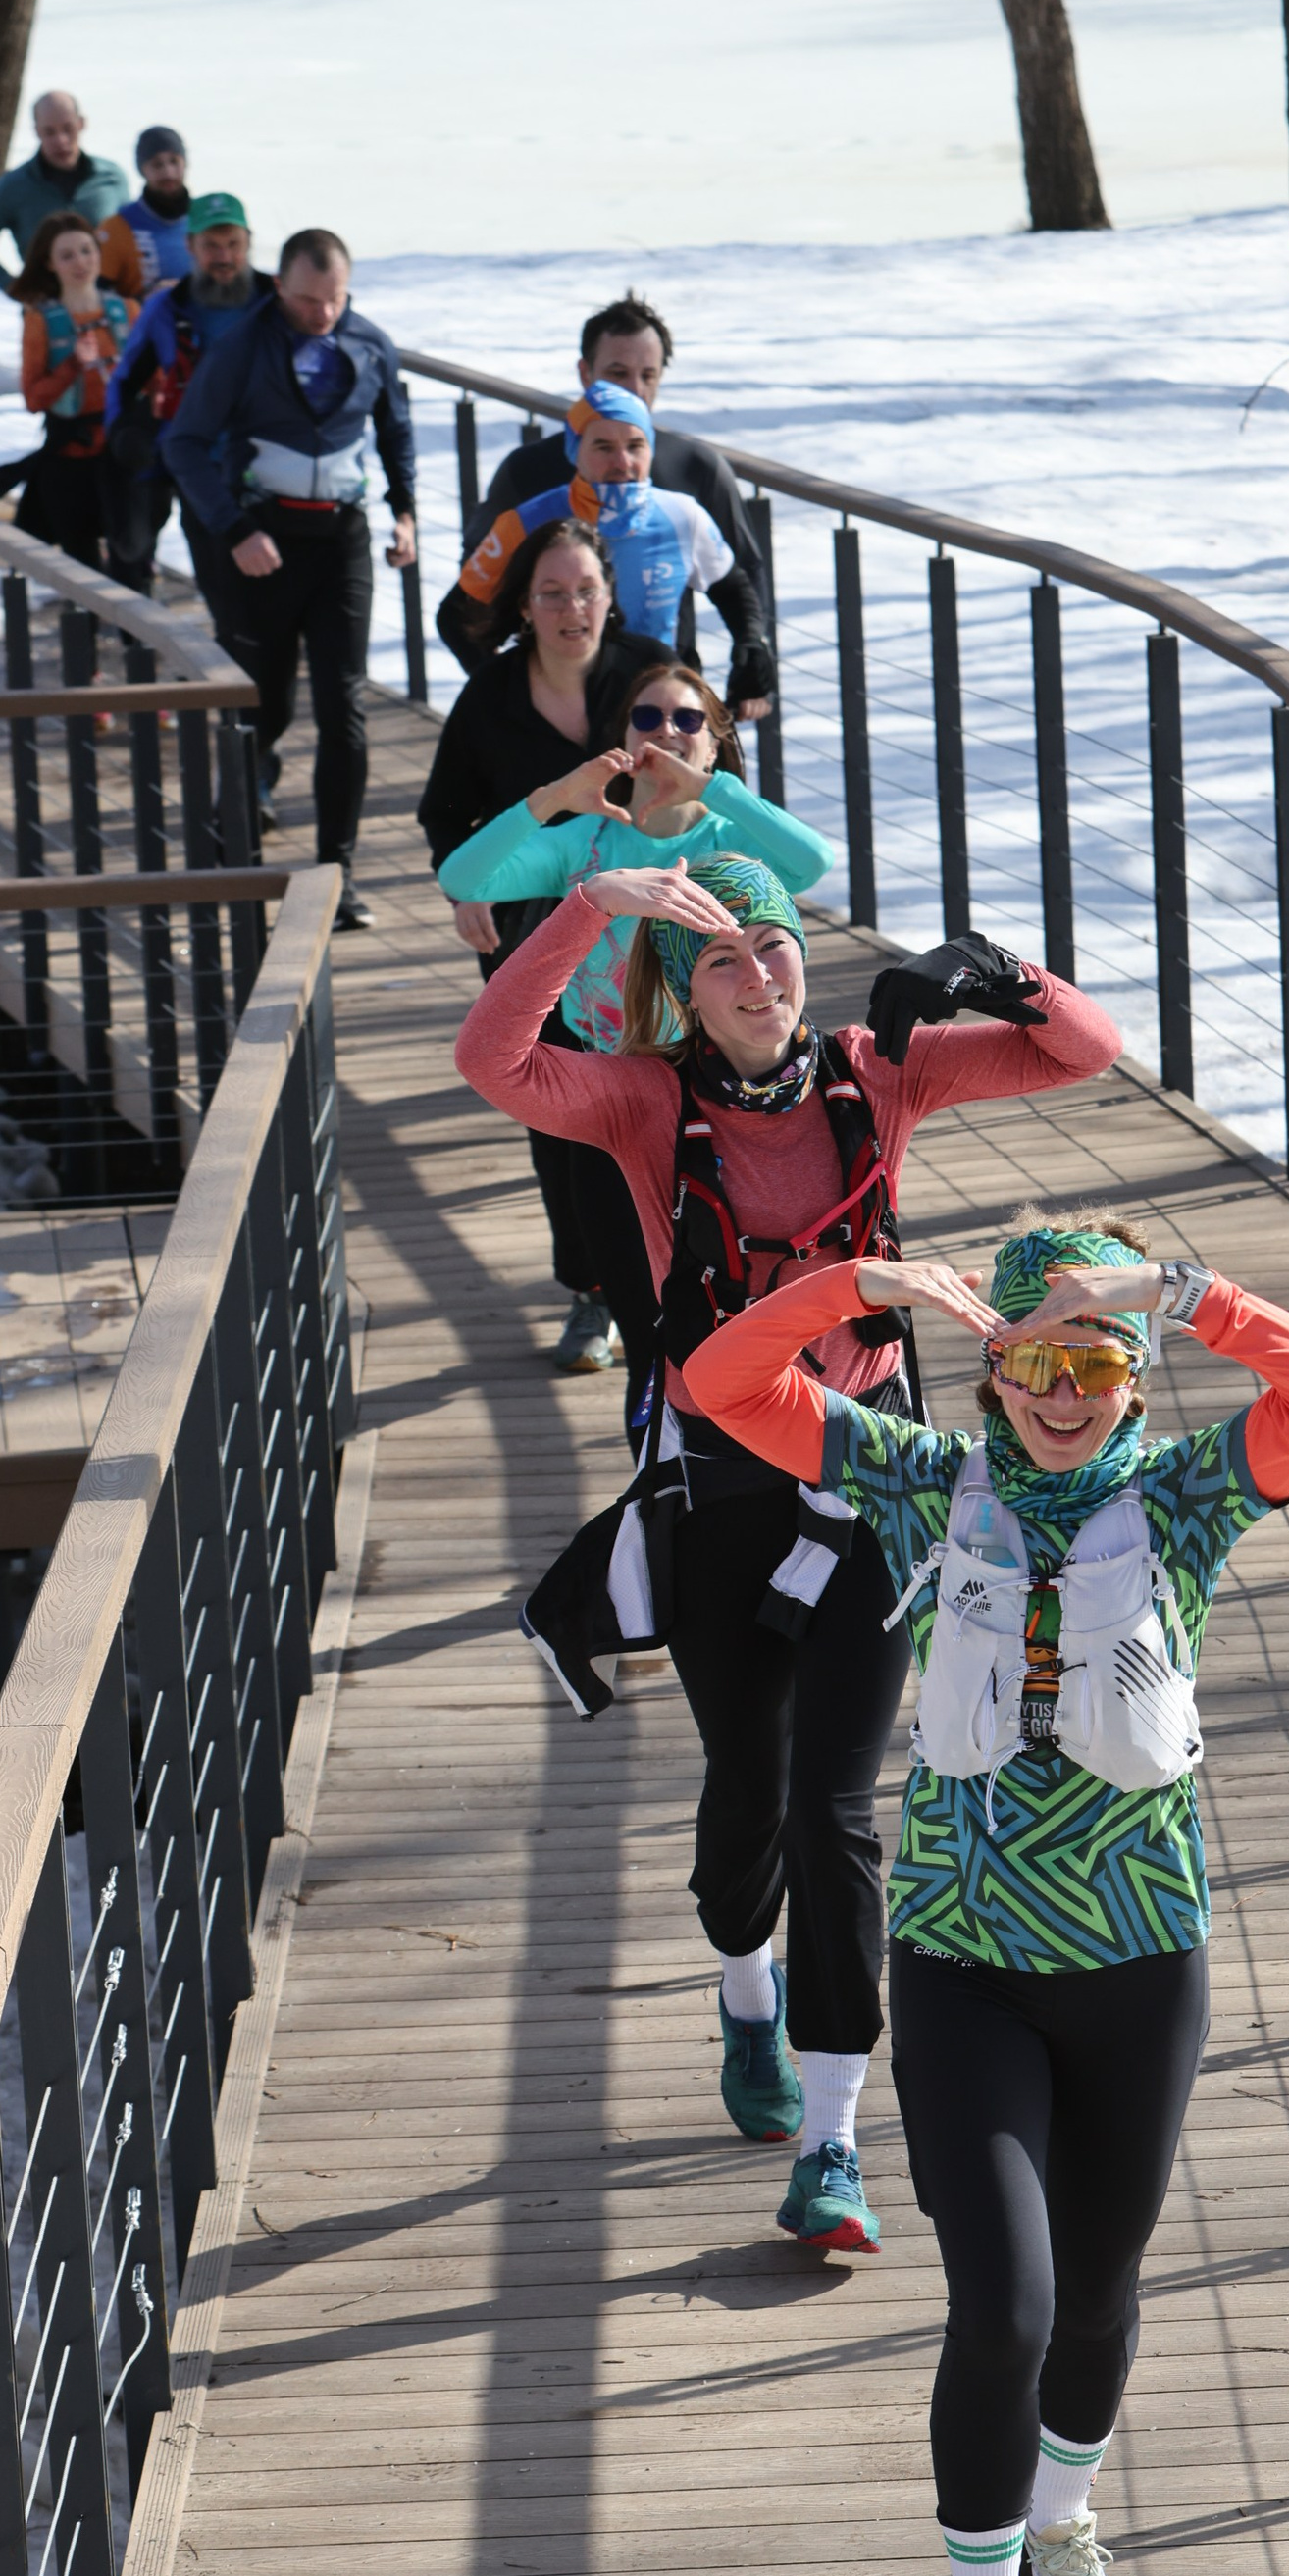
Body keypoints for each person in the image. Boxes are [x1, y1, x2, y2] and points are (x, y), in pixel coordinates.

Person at [689, 1212, 1289, 2576]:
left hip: (1141, 1954)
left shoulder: (1185, 1498)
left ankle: (1068, 2527)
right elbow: (723, 1384)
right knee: (1003, 2303)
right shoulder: (926, 1480)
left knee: (1103, 2291)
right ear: (986, 1373)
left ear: (1132, 1377)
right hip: (964, 1959)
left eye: (1092, 1360)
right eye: (1029, 1362)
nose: (1061, 1391)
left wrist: (1176, 1290)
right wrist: (853, 1288)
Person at [455, 866, 1122, 2258]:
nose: (757, 978)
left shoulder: (878, 1075)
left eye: (772, 947)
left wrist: (988, 968)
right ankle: (743, 1993)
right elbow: (491, 1059)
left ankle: (832, 2138)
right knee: (746, 1787)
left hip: (866, 1487)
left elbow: (1086, 1049)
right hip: (722, 1490)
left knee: (834, 1809)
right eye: (719, 964)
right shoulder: (644, 1101)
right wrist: (586, 906)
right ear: (677, 993)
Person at [437, 659, 829, 1423]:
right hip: (615, 1103)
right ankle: (656, 1499)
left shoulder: (733, 839)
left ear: (716, 743)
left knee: (739, 1320)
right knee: (647, 1330)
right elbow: (465, 874)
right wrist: (553, 799)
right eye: (647, 720)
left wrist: (710, 791)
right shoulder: (587, 842)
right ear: (622, 739)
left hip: (725, 1104)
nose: (666, 735)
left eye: (688, 722)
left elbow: (814, 863)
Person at [419, 517, 670, 1372]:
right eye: (553, 593)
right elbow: (444, 815)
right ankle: (590, 1293)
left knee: (665, 1105)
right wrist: (461, 889)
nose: (573, 609)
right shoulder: (491, 694)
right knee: (561, 1119)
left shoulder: (650, 672)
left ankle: (686, 1280)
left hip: (647, 940)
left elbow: (723, 775)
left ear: (611, 594)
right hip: (533, 933)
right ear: (525, 604)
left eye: (587, 590)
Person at [162, 227, 417, 931]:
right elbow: (181, 443)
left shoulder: (370, 342)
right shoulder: (241, 347)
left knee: (345, 708)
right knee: (263, 706)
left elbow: (395, 429)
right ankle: (233, 845)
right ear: (279, 287)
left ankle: (339, 873)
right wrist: (234, 529)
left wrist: (405, 511)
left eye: (335, 300)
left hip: (341, 539)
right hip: (263, 539)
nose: (323, 314)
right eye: (308, 301)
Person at [441, 293, 774, 718]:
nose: (634, 389)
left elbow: (742, 574)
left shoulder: (697, 469)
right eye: (618, 373)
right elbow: (471, 599)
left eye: (647, 375)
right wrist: (507, 696)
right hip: (559, 701)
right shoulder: (527, 472)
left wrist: (755, 658)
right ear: (585, 372)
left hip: (664, 701)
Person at [461, 380, 733, 666]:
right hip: (560, 701)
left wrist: (751, 647)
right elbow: (455, 617)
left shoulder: (681, 515)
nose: (622, 462)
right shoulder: (526, 521)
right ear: (574, 452)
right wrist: (500, 687)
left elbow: (731, 587)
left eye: (635, 446)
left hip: (654, 701)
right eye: (604, 448)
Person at [103, 192, 262, 604]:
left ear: (248, 244)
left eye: (233, 245)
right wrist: (122, 434)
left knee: (273, 593)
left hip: (269, 468)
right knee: (221, 590)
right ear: (190, 247)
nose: (223, 256)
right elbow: (124, 381)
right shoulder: (166, 309)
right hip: (199, 470)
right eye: (211, 245)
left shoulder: (274, 302)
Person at [0, 214, 135, 570]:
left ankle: (133, 624)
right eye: (67, 255)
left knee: (131, 562)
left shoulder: (128, 312)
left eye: (87, 251)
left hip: (123, 458)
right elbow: (34, 399)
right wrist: (72, 365)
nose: (81, 263)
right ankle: (86, 626)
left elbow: (154, 385)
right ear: (49, 263)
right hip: (70, 460)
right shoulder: (41, 321)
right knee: (82, 570)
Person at [0, 92, 127, 301]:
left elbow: (131, 239)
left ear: (81, 124)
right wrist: (15, 288)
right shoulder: (11, 186)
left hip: (107, 308)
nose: (61, 140)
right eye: (49, 132)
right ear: (37, 132)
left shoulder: (112, 178)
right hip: (44, 311)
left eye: (68, 128)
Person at [97, 127, 196, 300]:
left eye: (174, 161)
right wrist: (145, 299)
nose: (168, 173)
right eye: (157, 164)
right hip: (143, 324)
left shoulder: (205, 219)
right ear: (143, 169)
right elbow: (95, 297)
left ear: (185, 163)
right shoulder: (118, 227)